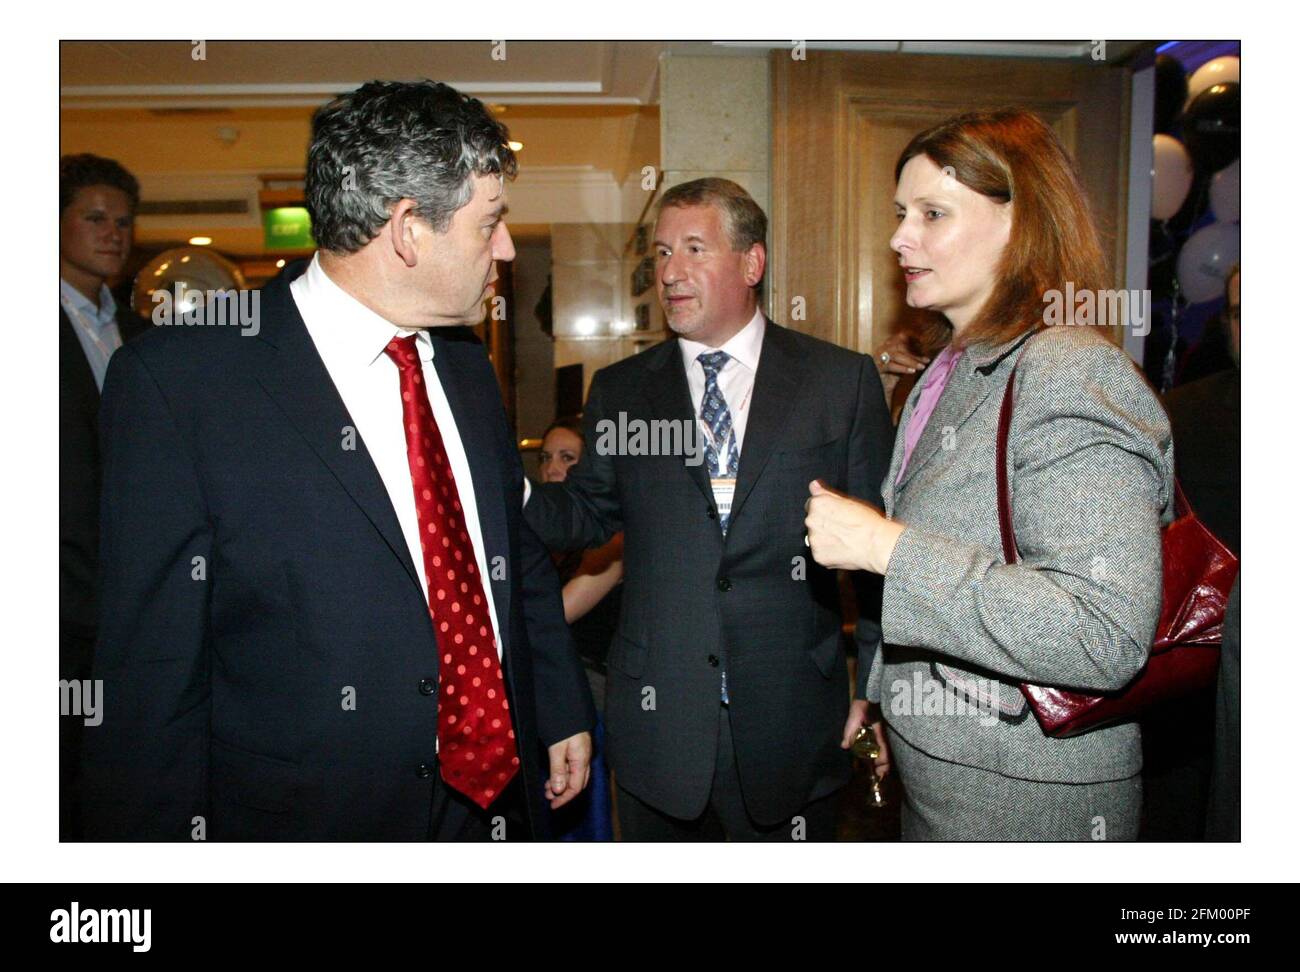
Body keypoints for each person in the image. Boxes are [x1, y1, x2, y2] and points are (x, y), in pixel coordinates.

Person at [83, 80, 593, 841]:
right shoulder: (181, 384)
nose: (507, 248)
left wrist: (554, 706)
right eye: (491, 224)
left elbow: (509, 558)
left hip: (496, 805)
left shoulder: (464, 366)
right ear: (408, 229)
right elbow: (148, 681)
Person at [805, 108, 1174, 841]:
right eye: (901, 213)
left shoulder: (1068, 368)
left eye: (932, 214)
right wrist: (884, 700)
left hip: (1029, 798)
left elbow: (1104, 631)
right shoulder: (947, 369)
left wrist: (886, 548)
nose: (899, 237)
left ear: (1020, 222)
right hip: (939, 779)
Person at [524, 177, 894, 841]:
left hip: (791, 724)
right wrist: (499, 485)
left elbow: (878, 556)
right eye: (663, 253)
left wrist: (874, 687)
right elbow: (585, 514)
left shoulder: (838, 382)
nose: (671, 272)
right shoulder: (623, 390)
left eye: (695, 249)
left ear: (752, 263)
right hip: (658, 728)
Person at [59, 153, 149, 840]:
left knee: (117, 773)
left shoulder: (141, 331)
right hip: (55, 600)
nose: (112, 233)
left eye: (122, 221)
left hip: (130, 593)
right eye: (94, 218)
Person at [537, 419, 619, 841]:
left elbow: (556, 611)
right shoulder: (541, 532)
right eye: (546, 457)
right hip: (548, 677)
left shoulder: (611, 538)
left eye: (567, 458)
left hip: (592, 688)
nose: (552, 468)